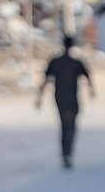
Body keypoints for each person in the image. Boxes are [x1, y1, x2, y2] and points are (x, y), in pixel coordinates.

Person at [36, 35, 93, 168]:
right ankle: (68, 153)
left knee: (64, 127)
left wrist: (39, 97)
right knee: (71, 127)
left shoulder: (55, 61)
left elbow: (45, 80)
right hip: (72, 99)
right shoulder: (76, 62)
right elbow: (88, 77)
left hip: (60, 99)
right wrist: (92, 90)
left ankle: (66, 153)